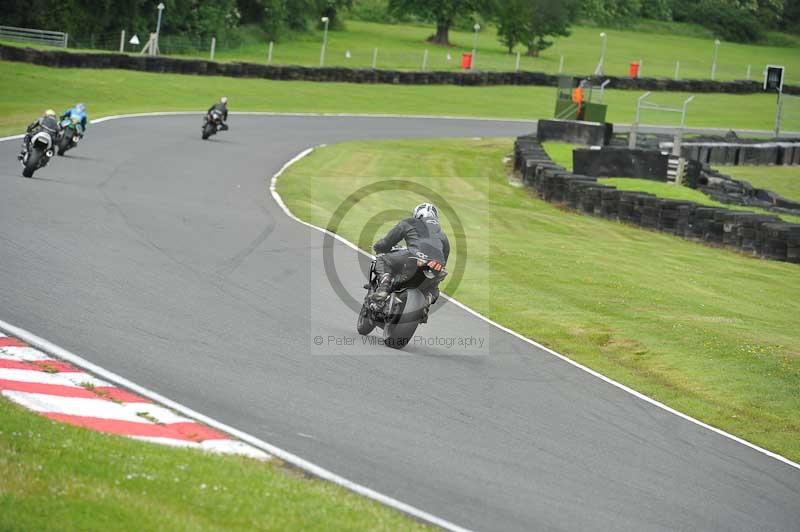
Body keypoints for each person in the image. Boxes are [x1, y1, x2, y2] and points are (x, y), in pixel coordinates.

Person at [372, 203, 450, 305]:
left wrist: (378, 247)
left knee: (382, 260)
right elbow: (444, 258)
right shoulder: (442, 235)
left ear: (418, 215)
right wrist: (438, 266)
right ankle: (427, 301)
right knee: (433, 286)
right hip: (435, 265)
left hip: (414, 256)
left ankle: (384, 288)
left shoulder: (409, 222)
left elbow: (387, 242)